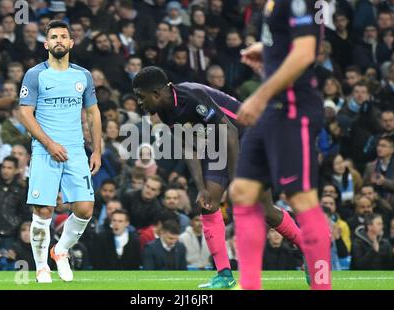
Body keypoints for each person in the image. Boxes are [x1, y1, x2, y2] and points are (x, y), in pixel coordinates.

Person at [133, 66, 304, 288]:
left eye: (140, 97)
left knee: (266, 211)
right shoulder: (165, 109)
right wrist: (201, 187)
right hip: (219, 145)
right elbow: (187, 148)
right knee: (208, 203)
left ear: (155, 93)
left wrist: (236, 183)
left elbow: (231, 132)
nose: (139, 102)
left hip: (248, 138)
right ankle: (224, 275)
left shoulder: (191, 98)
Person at [231, 0, 331, 290]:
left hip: (292, 109)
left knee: (301, 198)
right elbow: (291, 45)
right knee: (243, 191)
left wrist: (259, 96)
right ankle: (250, 286)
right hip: (273, 111)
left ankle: (322, 286)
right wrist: (268, 51)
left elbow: (304, 54)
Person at [18, 20, 102, 283]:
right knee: (43, 211)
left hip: (76, 151)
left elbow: (93, 113)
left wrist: (96, 150)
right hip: (45, 151)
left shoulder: (83, 76)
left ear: (70, 43)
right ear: (46, 44)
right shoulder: (35, 75)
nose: (58, 40)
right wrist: (49, 144)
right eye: (53, 36)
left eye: (63, 37)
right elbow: (24, 113)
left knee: (86, 208)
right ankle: (41, 266)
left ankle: (61, 250)